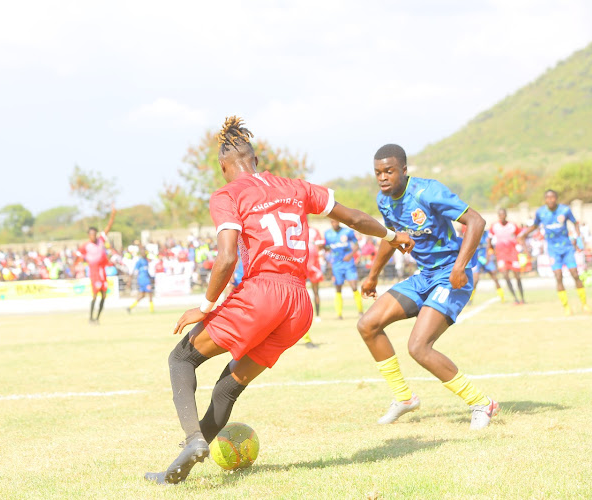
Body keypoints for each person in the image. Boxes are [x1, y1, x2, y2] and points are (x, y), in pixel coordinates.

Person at [144, 117, 414, 485]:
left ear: (224, 166)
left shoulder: (228, 194)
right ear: (254, 158)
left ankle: (194, 439)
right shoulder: (295, 187)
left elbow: (226, 258)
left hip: (263, 293)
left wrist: (205, 307)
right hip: (300, 305)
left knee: (181, 358)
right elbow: (353, 217)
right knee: (228, 386)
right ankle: (181, 468)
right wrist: (391, 234)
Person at [357, 144, 499, 431]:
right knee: (368, 324)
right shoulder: (384, 201)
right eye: (378, 173)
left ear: (404, 170)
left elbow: (476, 220)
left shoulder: (427, 191)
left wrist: (460, 266)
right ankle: (404, 398)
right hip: (424, 277)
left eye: (389, 171)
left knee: (418, 347)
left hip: (451, 275)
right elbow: (391, 238)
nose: (383, 178)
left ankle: (482, 403)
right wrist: (373, 275)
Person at [519, 190, 590, 315]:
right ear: (545, 200)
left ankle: (584, 304)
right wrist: (524, 234)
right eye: (548, 198)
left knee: (575, 274)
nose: (550, 200)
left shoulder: (565, 210)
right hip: (552, 250)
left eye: (552, 197)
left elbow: (575, 223)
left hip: (567, 248)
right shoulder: (541, 212)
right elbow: (535, 226)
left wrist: (578, 240)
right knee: (558, 276)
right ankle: (566, 307)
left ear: (556, 198)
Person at [78, 205, 116, 324]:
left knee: (104, 295)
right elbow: (78, 257)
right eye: (91, 234)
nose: (93, 236)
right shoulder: (85, 246)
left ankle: (97, 318)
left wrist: (113, 215)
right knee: (95, 295)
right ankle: (91, 318)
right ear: (89, 235)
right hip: (94, 272)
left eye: (95, 234)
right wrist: (79, 266)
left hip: (102, 270)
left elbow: (108, 227)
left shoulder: (101, 240)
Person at [325, 220, 363, 319]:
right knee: (338, 288)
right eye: (332, 222)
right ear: (330, 223)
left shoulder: (347, 232)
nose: (335, 223)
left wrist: (350, 255)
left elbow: (357, 245)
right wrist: (328, 258)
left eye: (336, 222)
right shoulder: (327, 234)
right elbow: (327, 248)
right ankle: (339, 314)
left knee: (354, 286)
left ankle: (360, 311)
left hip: (348, 263)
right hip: (336, 264)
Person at [489, 208, 525, 304]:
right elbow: (489, 238)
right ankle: (515, 298)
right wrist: (491, 250)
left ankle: (522, 298)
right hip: (501, 255)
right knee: (505, 275)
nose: (502, 216)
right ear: (498, 216)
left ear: (506, 215)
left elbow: (521, 235)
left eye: (503, 214)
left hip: (513, 253)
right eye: (500, 215)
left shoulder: (512, 225)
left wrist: (522, 247)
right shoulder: (494, 226)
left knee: (517, 276)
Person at [470, 230, 504, 304]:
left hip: (487, 258)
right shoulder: (474, 233)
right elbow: (472, 248)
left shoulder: (488, 234)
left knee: (494, 277)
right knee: (475, 280)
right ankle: (470, 299)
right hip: (477, 258)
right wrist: (479, 257)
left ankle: (502, 297)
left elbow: (490, 246)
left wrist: (488, 258)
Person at [127, 246, 154, 313]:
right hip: (144, 280)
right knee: (150, 294)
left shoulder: (146, 261)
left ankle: (130, 307)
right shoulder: (139, 261)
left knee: (142, 295)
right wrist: (130, 280)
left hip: (145, 279)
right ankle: (152, 310)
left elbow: (146, 271)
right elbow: (134, 271)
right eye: (143, 252)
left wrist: (150, 277)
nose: (145, 254)